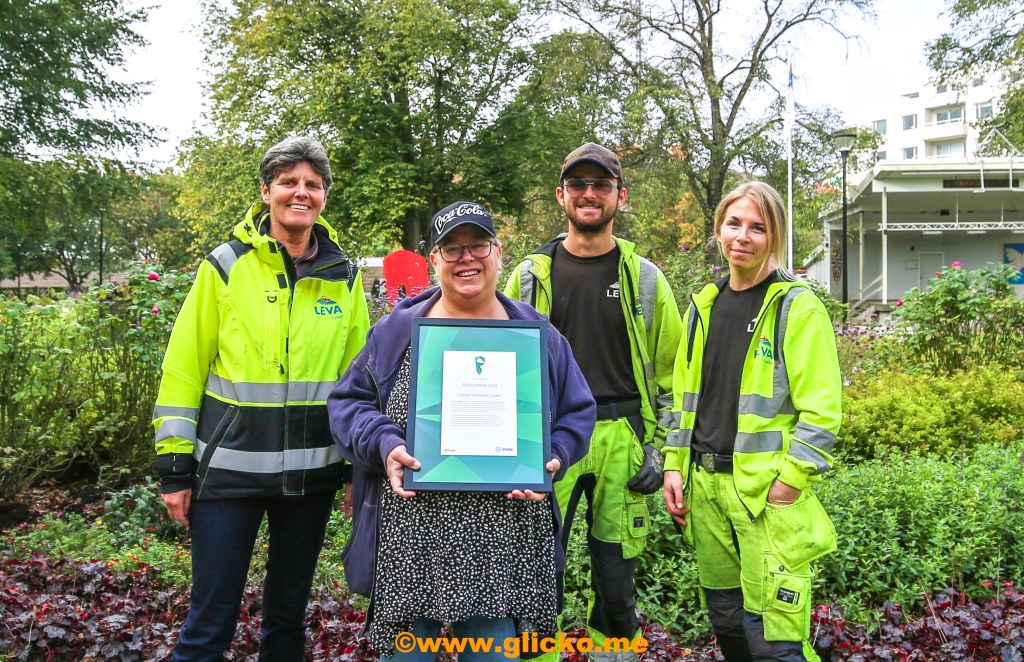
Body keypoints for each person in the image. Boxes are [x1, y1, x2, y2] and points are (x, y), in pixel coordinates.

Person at [328, 201, 596, 661]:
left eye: (477, 246)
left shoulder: (536, 335)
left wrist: (551, 456)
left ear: (499, 252)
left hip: (501, 544)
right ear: (434, 260)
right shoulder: (397, 331)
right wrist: (386, 443)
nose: (465, 258)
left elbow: (577, 412)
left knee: (491, 653)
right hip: (412, 540)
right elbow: (348, 404)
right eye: (451, 249)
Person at [152, 136, 370, 661]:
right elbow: (183, 370)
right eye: (290, 182)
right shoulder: (225, 266)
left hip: (310, 477)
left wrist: (354, 471)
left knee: (287, 619)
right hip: (229, 476)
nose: (302, 193)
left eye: (313, 185)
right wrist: (175, 471)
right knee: (210, 618)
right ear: (267, 190)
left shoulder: (344, 277)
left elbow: (358, 383)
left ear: (323, 197)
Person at [504, 143, 682, 660]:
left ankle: (616, 654)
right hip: (548, 439)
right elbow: (504, 367)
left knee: (616, 582)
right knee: (537, 578)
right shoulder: (529, 277)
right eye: (577, 185)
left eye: (600, 185)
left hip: (621, 438)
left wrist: (663, 451)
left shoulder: (646, 279)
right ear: (561, 196)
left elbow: (673, 377)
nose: (588, 194)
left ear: (619, 197)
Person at [662, 182, 842, 661]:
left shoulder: (795, 307)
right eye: (734, 223)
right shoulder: (703, 306)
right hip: (706, 489)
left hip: (763, 495)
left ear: (775, 235)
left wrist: (791, 480)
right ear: (719, 229)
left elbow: (822, 411)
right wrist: (675, 467)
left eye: (757, 227)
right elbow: (684, 399)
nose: (742, 236)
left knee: (775, 641)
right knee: (727, 623)